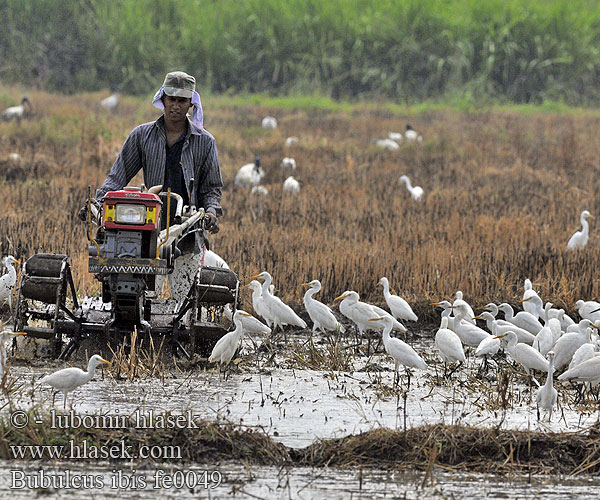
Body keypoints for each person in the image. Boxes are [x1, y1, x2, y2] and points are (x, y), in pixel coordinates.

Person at [89, 71, 224, 301]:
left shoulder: (205, 142)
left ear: (191, 103)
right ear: (163, 99)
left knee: (186, 303)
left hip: (187, 231)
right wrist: (99, 201)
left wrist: (211, 211)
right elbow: (117, 176)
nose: (175, 106)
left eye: (182, 101)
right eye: (171, 99)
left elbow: (211, 189)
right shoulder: (142, 136)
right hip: (148, 231)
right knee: (144, 298)